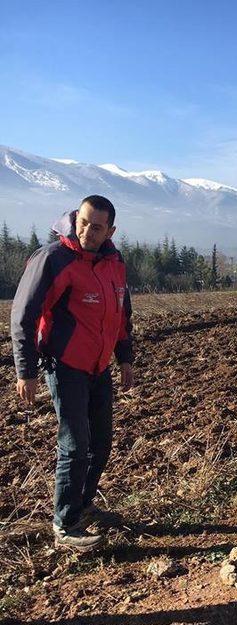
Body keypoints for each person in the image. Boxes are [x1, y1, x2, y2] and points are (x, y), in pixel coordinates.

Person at [11, 195, 134, 550]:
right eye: (82, 222)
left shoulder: (114, 262)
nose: (87, 231)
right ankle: (64, 525)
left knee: (102, 444)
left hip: (99, 367)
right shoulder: (54, 258)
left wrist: (124, 357)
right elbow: (23, 316)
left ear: (110, 230)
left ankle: (83, 507)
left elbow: (121, 313)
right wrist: (26, 370)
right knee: (75, 444)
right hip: (65, 366)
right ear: (74, 218)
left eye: (97, 227)